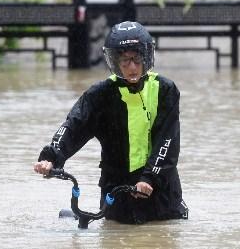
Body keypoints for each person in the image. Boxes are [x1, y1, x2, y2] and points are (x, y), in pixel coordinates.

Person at [33, 21, 188, 224]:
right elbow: (74, 126)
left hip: (160, 191)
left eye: (136, 58)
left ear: (147, 57)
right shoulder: (99, 95)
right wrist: (51, 157)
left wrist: (149, 178)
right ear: (114, 62)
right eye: (124, 61)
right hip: (116, 189)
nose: (132, 67)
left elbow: (167, 142)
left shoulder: (165, 90)